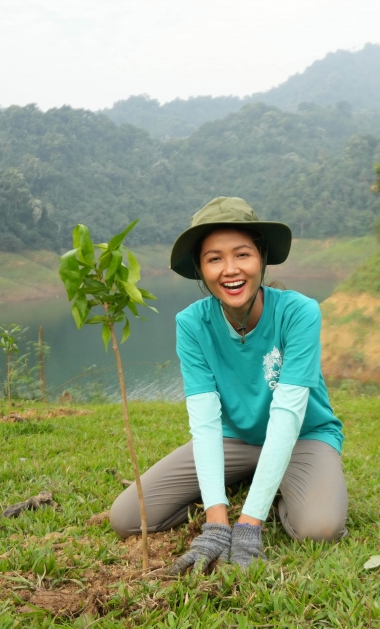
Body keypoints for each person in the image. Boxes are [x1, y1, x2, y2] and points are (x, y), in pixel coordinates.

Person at [108, 197, 347, 573]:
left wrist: (249, 524)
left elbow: (287, 416)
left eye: (242, 255)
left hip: (303, 436)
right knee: (126, 517)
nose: (230, 270)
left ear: (262, 258)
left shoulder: (299, 313)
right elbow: (204, 424)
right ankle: (251, 479)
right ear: (200, 269)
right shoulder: (192, 323)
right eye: (214, 258)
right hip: (233, 440)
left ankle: (275, 488)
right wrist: (218, 524)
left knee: (320, 528)